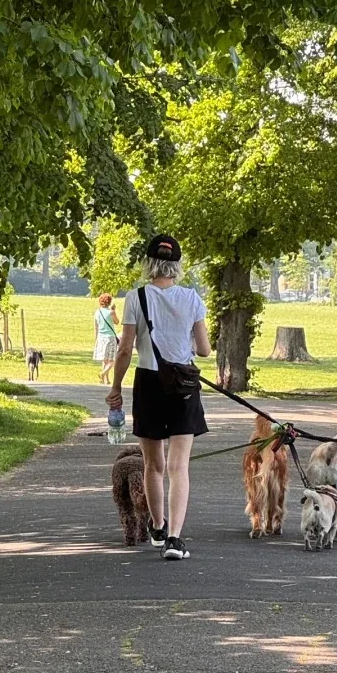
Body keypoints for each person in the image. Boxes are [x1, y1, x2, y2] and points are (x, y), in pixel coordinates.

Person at [105, 235, 211, 561]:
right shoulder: (192, 298)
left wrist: (116, 387)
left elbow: (124, 349)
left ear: (149, 263)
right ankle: (176, 540)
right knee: (179, 466)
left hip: (148, 382)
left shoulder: (136, 298)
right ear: (176, 265)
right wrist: (185, 347)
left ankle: (158, 526)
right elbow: (205, 349)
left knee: (153, 464)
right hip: (183, 385)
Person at [93, 293, 121, 385]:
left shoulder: (97, 312)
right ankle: (103, 373)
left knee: (105, 360)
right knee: (112, 360)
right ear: (109, 302)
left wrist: (96, 339)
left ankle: (106, 380)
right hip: (110, 337)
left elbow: (96, 327)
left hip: (101, 337)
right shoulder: (111, 312)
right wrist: (113, 310)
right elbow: (117, 322)